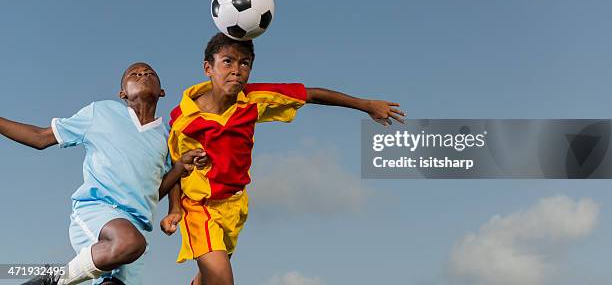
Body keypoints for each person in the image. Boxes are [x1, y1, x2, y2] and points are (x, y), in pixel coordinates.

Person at [161, 33, 405, 285]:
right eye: (227, 62)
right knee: (223, 279)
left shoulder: (254, 99)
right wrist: (175, 209)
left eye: (244, 63)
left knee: (209, 277)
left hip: (235, 205)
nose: (236, 70)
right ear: (208, 68)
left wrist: (365, 105)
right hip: (200, 207)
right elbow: (177, 166)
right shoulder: (184, 118)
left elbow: (310, 95)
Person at [0, 62, 205, 285]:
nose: (143, 75)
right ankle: (52, 280)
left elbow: (156, 190)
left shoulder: (166, 137)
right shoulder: (101, 112)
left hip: (137, 229)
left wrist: (175, 201)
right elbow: (40, 137)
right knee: (128, 242)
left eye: (149, 73)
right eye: (134, 74)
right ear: (122, 93)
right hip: (97, 212)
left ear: (162, 91)